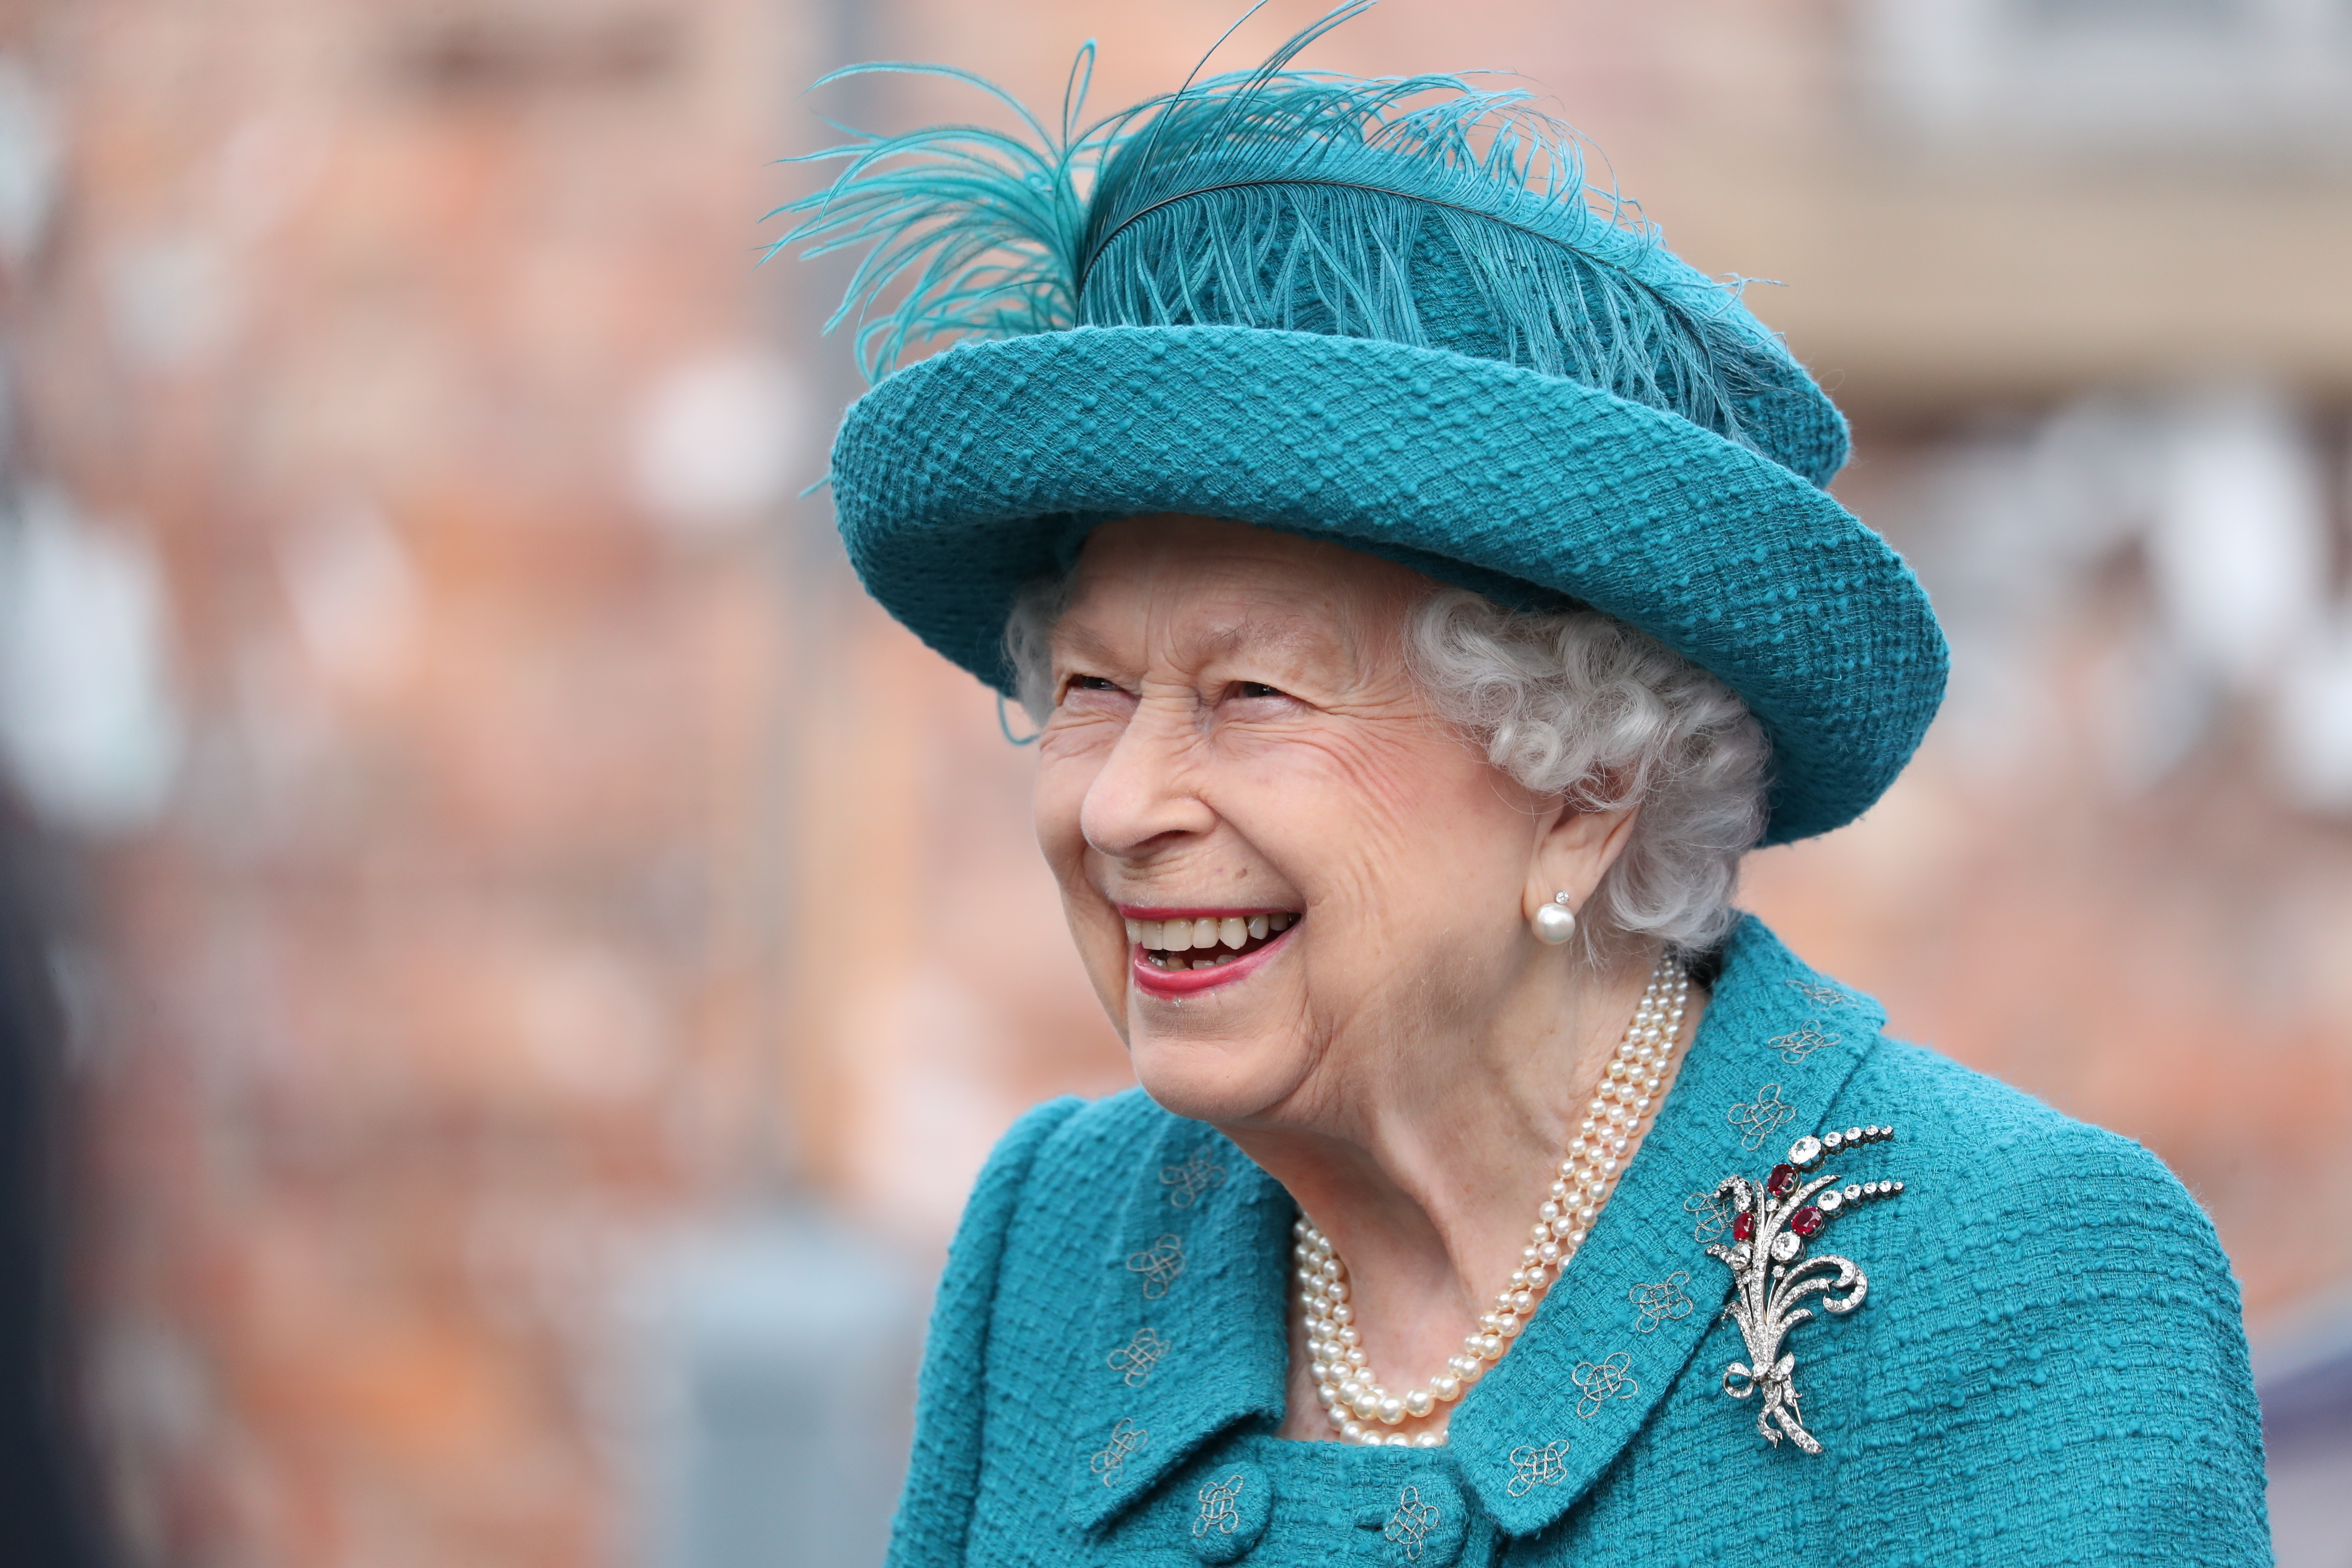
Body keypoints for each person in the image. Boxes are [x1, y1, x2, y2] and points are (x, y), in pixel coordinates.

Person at [780, 12, 2271, 1564]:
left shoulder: (2019, 1279)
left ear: (1585, 788)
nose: (1117, 806)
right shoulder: (1060, 1236)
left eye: (1253, 696)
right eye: (1094, 691)